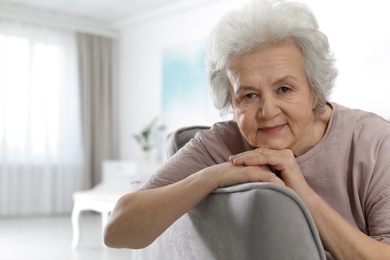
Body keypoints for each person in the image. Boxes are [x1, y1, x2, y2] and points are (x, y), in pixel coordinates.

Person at [104, 0, 390, 259]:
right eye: (248, 95)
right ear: (231, 101)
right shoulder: (219, 144)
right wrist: (217, 175)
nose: (267, 111)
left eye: (284, 89)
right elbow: (117, 231)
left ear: (315, 91)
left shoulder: (375, 143)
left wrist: (301, 194)